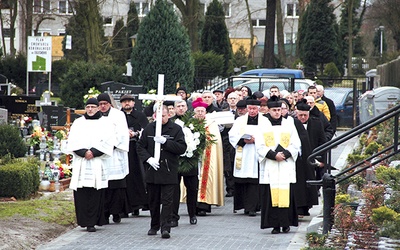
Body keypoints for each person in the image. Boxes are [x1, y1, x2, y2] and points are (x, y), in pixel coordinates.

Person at [137, 104, 187, 239]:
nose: (161, 118)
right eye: (158, 116)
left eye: (163, 116)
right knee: (153, 200)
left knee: (167, 201)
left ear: (168, 115)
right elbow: (140, 146)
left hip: (168, 170)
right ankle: (154, 225)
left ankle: (166, 227)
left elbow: (182, 148)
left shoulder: (176, 129)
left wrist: (166, 142)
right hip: (152, 170)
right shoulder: (149, 128)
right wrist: (148, 159)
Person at [67, 98, 114, 232]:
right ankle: (83, 220)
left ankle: (93, 222)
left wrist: (93, 152)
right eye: (88, 107)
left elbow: (109, 141)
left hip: (97, 161)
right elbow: (72, 141)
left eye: (93, 107)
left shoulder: (105, 123)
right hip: (82, 162)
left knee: (95, 192)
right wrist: (83, 152)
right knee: (82, 192)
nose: (90, 109)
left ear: (98, 108)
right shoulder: (78, 123)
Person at [257, 95, 301, 234]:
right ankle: (275, 224)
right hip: (271, 164)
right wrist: (273, 155)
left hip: (285, 165)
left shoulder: (289, 123)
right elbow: (259, 145)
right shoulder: (263, 124)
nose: (277, 112)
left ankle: (286, 223)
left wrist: (285, 154)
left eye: (279, 110)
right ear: (268, 111)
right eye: (274, 110)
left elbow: (296, 143)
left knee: (286, 194)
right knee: (271, 196)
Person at [229, 98, 269, 216]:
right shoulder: (240, 120)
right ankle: (243, 206)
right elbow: (232, 135)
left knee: (254, 182)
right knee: (242, 180)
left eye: (254, 109)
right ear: (247, 108)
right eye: (250, 108)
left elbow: (269, 136)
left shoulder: (265, 121)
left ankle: (253, 207)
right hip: (244, 152)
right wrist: (243, 140)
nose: (252, 111)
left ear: (259, 109)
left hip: (257, 153)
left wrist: (255, 140)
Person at [97, 93, 131, 224]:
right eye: (100, 104)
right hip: (101, 155)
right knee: (104, 186)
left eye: (105, 104)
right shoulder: (96, 116)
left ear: (110, 104)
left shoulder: (118, 115)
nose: (103, 106)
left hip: (115, 154)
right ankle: (104, 213)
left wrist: (111, 145)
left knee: (117, 186)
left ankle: (116, 212)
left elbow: (122, 133)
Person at [193, 98, 225, 216]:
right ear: (194, 112)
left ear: (205, 112)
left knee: (206, 178)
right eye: (198, 111)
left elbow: (215, 140)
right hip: (194, 156)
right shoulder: (190, 123)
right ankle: (193, 205)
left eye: (202, 111)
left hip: (207, 155)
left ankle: (204, 205)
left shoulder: (211, 124)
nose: (200, 113)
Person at [170, 100, 199, 226]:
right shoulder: (171, 123)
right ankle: (173, 217)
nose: (181, 108)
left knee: (192, 189)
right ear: (174, 108)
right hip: (175, 160)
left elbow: (201, 139)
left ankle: (192, 214)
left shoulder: (194, 122)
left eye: (183, 106)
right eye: (178, 106)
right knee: (174, 190)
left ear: (187, 107)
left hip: (190, 160)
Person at [120, 94, 149, 216]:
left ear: (133, 103)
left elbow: (146, 130)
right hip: (121, 150)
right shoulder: (118, 116)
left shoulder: (140, 116)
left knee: (136, 177)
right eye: (124, 101)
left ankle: (137, 204)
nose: (127, 103)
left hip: (135, 149)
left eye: (129, 101)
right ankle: (124, 207)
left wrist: (136, 133)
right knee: (123, 178)